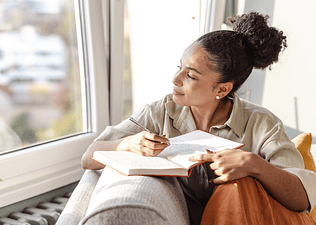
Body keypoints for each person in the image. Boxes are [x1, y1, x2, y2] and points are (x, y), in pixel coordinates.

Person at [81, 12, 316, 224]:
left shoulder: (262, 123)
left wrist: (253, 165)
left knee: (240, 185)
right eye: (179, 67)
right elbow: (88, 157)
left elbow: (302, 199)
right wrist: (126, 144)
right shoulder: (160, 112)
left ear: (222, 90)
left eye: (190, 75)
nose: (175, 79)